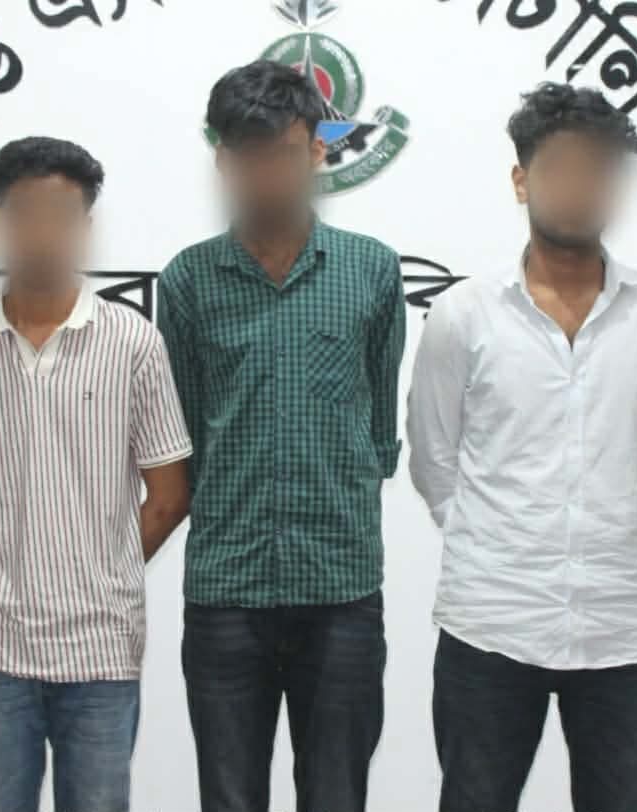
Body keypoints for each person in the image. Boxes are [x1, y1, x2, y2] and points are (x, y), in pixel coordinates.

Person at [406, 82, 637, 812]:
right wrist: (495, 540)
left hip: (622, 628)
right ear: (522, 180)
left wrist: (615, 531)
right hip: (492, 622)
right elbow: (434, 457)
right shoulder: (464, 314)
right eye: (561, 168)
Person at [0, 137, 192, 812]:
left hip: (100, 647)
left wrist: (99, 568)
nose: (43, 232)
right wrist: (3, 564)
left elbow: (169, 495)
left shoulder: (133, 342)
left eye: (62, 215)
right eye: (26, 213)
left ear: (85, 226)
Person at [157, 59, 406, 812]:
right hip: (227, 592)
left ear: (318, 151)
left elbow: (379, 430)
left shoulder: (371, 269)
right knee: (229, 798)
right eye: (249, 156)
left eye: (285, 154)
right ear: (224, 161)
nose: (267, 175)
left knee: (336, 795)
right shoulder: (187, 280)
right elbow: (184, 435)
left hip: (341, 589)